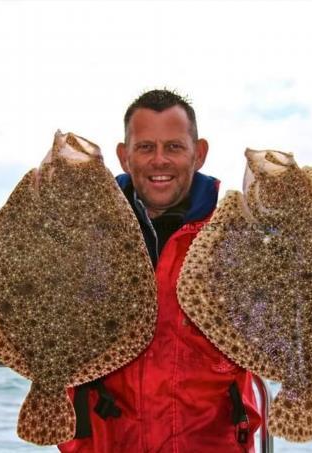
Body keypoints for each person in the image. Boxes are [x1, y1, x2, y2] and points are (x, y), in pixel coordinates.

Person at [58, 89, 261, 453]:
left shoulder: (238, 238)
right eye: (146, 147)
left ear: (199, 153)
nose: (160, 160)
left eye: (174, 147)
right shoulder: (80, 236)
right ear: (124, 156)